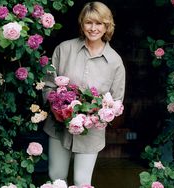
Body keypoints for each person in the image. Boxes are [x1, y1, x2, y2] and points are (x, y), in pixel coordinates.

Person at [43, 1, 126, 187]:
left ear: (107, 26)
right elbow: (48, 86)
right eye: (89, 22)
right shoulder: (63, 49)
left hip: (91, 131)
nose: (93, 28)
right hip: (59, 126)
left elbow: (117, 101)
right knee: (56, 176)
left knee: (82, 182)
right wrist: (59, 108)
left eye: (99, 23)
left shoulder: (115, 62)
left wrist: (96, 117)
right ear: (82, 24)